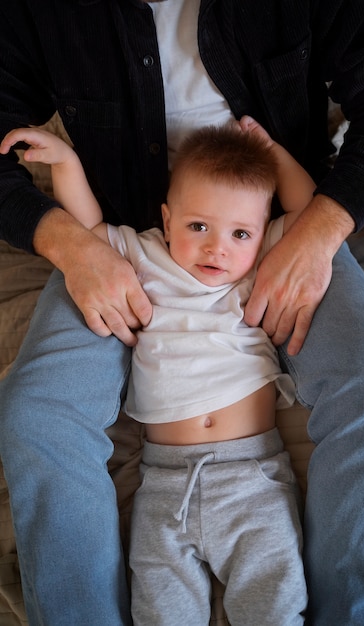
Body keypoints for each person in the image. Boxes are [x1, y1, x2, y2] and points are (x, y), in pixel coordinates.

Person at [0, 1, 364, 624]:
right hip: (121, 237)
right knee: (37, 414)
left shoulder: (270, 230)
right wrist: (66, 238)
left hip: (278, 225)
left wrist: (316, 229)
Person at [2, 120, 316, 624]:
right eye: (199, 227)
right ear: (167, 222)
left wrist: (270, 149)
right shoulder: (146, 254)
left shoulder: (258, 265)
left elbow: (306, 212)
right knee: (160, 612)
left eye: (240, 232)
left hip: (253, 478)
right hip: (164, 485)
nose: (219, 247)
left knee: (275, 606)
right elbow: (87, 230)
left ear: (258, 234)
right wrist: (66, 162)